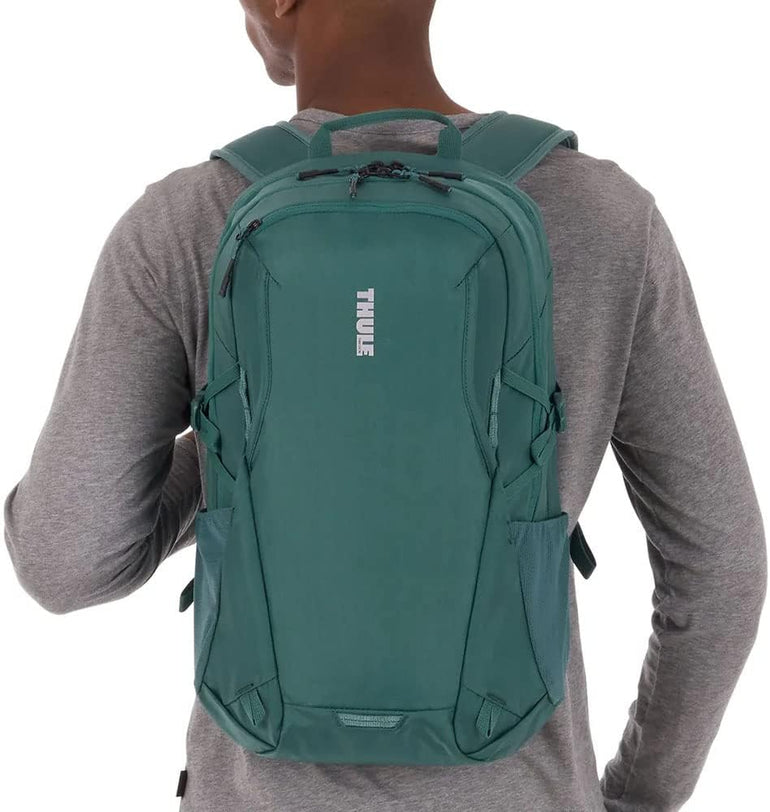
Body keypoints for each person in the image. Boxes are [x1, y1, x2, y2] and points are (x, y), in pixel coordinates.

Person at [3, 1, 766, 810]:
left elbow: (65, 558)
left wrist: (236, 453)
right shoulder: (606, 216)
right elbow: (722, 568)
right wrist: (635, 798)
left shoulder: (184, 222)